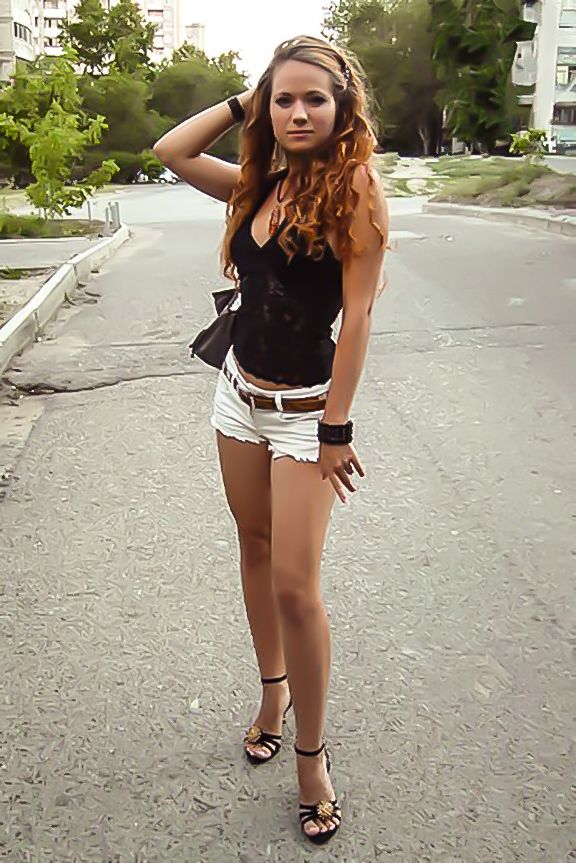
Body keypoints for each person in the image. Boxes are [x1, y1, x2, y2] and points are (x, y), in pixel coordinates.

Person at [153, 34, 389, 845]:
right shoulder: (261, 184)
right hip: (238, 397)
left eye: (314, 98)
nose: (297, 112)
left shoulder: (355, 188)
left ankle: (312, 756)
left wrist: (335, 428)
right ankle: (272, 691)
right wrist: (242, 102)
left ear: (342, 107)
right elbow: (171, 151)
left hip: (303, 412)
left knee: (296, 585)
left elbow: (359, 316)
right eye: (282, 99)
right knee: (252, 544)